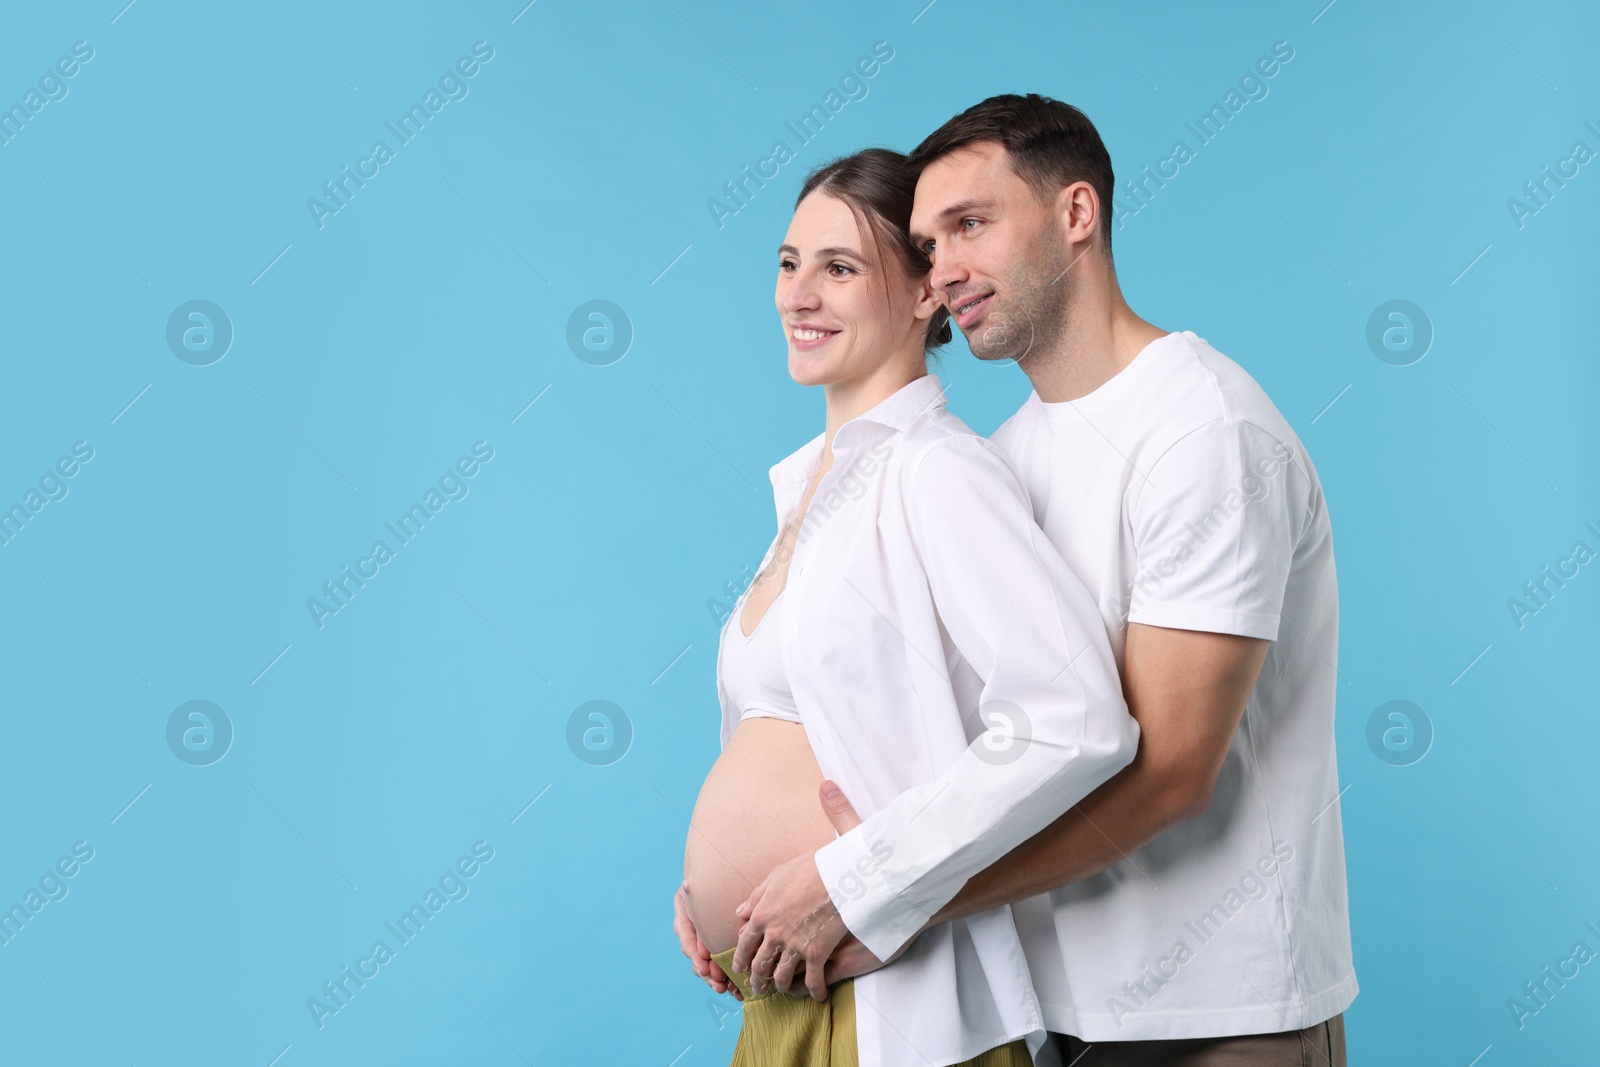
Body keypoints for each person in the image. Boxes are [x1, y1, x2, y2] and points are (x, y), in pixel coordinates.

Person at [727, 95, 1355, 1066]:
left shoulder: (1202, 432)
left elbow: (1171, 771)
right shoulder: (997, 462)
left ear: (1075, 214)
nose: (944, 269)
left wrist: (876, 890)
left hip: (1214, 1014)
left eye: (970, 224)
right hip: (1042, 1011)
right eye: (928, 243)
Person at [676, 146, 1140, 1067]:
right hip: (778, 1000)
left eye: (839, 268)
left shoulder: (937, 470)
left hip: (896, 1009)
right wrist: (703, 895)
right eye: (788, 262)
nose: (799, 294)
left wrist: (861, 880)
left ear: (927, 293)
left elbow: (1075, 721)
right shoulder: (808, 493)